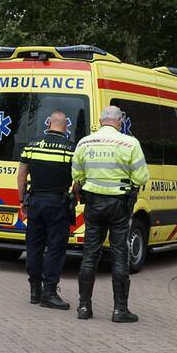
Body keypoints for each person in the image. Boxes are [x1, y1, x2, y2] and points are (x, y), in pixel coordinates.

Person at [71, 105, 151, 323]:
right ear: (120, 121)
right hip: (120, 205)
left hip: (93, 204)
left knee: (90, 255)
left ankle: (84, 307)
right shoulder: (130, 143)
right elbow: (141, 177)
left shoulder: (84, 142)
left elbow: (77, 175)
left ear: (100, 120)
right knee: (119, 255)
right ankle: (119, 310)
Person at [17, 110, 75, 310]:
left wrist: (22, 200)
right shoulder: (70, 149)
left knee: (34, 246)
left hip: (35, 202)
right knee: (56, 248)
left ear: (49, 123)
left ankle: (34, 291)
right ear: (65, 126)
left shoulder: (31, 145)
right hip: (58, 203)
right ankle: (49, 292)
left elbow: (21, 175)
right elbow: (77, 178)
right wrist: (75, 194)